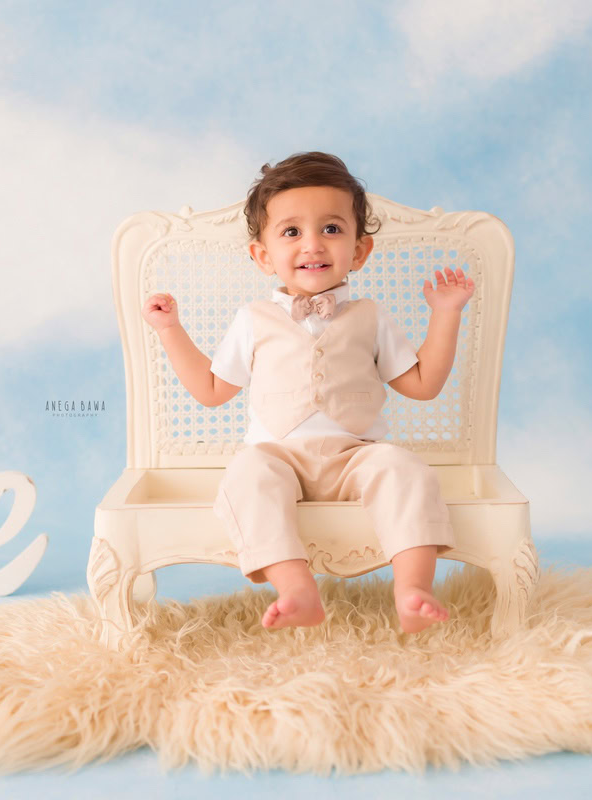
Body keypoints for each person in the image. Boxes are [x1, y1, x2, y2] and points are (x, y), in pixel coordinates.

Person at [141, 151, 475, 634]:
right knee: (246, 474)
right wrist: (170, 329)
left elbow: (423, 386)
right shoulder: (253, 320)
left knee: (405, 469)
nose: (313, 244)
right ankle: (296, 587)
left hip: (357, 456)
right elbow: (212, 391)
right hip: (279, 456)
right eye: (292, 232)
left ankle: (413, 588)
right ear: (262, 255)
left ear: (360, 251)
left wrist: (446, 314)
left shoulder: (370, 316)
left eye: (332, 229)